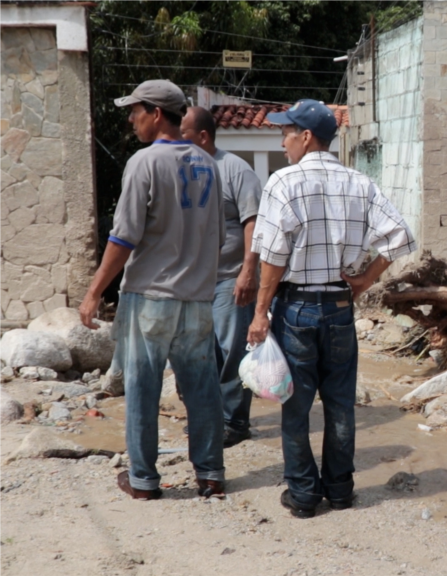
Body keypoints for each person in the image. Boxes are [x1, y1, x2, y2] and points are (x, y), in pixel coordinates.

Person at [246, 99, 416, 518]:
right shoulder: (361, 183)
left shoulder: (282, 183)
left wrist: (260, 312)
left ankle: (303, 495)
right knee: (339, 404)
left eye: (286, 133)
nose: (283, 142)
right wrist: (366, 279)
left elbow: (273, 256)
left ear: (305, 137)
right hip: (340, 308)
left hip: (297, 308)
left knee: (296, 406)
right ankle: (340, 489)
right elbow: (401, 236)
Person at [78, 80, 226, 500]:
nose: (131, 118)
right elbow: (218, 237)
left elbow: (123, 237)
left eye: (135, 110)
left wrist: (93, 292)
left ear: (156, 113)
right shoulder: (208, 164)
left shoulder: (144, 163)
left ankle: (143, 480)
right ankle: (211, 474)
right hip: (197, 300)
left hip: (150, 298)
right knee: (202, 390)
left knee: (143, 388)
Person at [180, 106, 261, 447]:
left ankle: (235, 422)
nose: (177, 140)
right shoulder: (182, 170)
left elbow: (253, 223)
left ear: (203, 136)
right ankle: (208, 415)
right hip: (193, 281)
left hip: (230, 279)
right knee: (198, 351)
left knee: (232, 352)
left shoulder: (235, 170)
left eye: (183, 134)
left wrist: (248, 271)